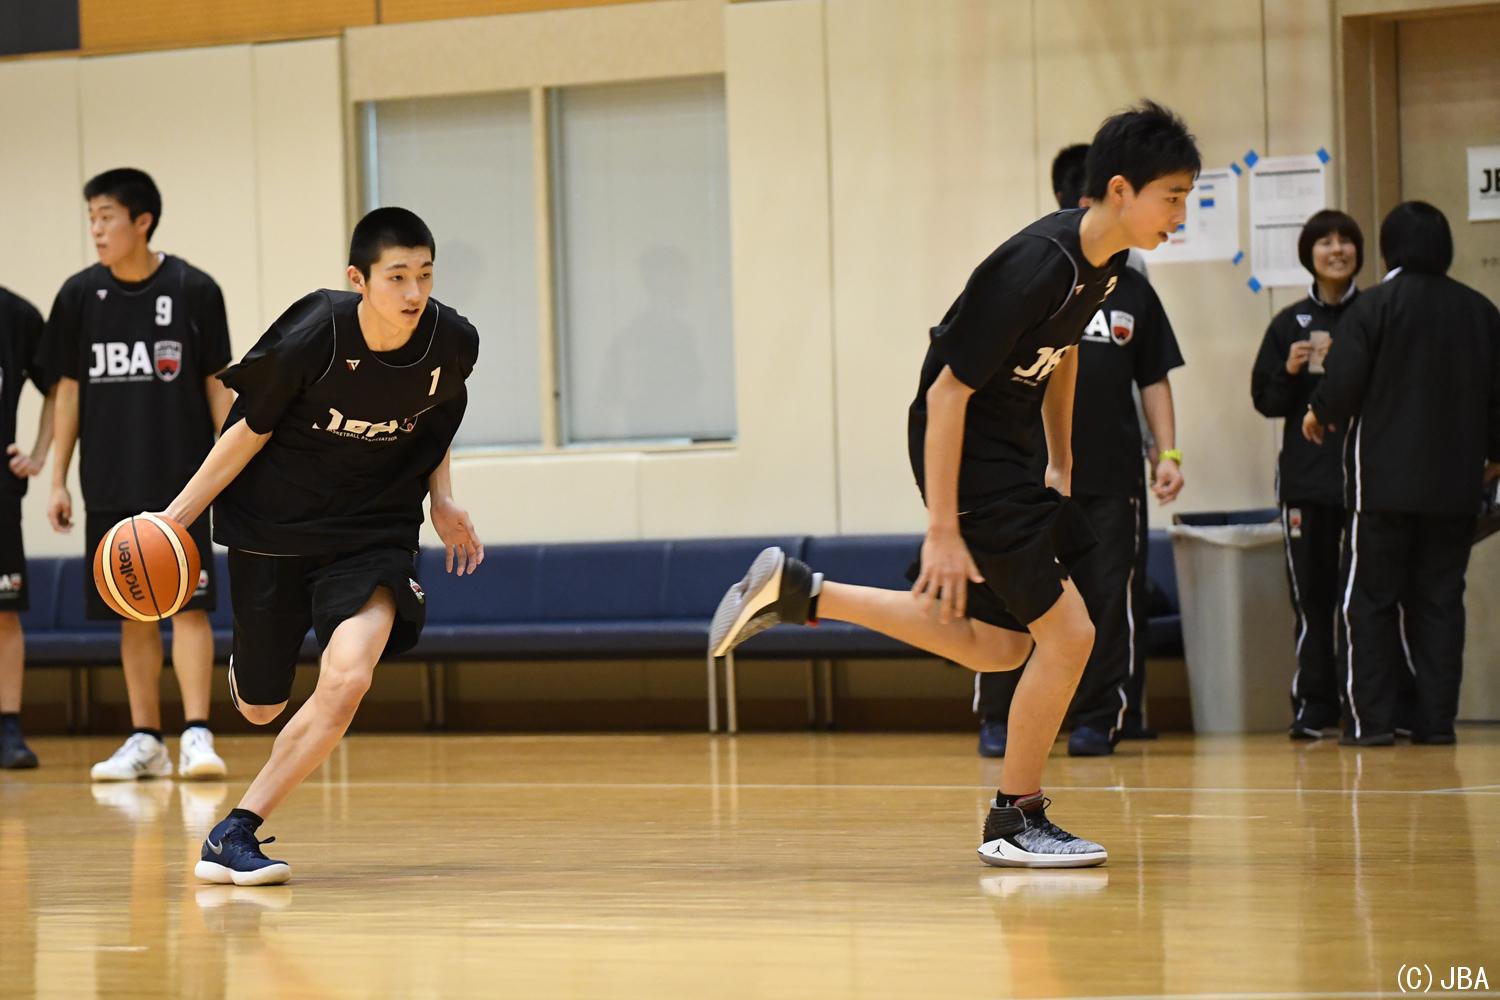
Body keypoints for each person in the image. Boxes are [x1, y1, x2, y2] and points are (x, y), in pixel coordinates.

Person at [710, 101, 1200, 867]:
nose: (1181, 214)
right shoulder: (1037, 264)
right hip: (969, 450)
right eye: (1172, 196)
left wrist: (1061, 461)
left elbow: (1065, 355)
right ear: (1119, 190)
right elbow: (944, 392)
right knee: (1070, 636)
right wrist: (943, 528)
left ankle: (801, 594)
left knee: (1001, 646)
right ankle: (1015, 818)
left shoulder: (1104, 266)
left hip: (1010, 453)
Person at [163, 207, 482, 885]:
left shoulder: (451, 341)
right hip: (272, 530)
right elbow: (246, 430)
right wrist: (174, 519)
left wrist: (442, 498)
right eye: (396, 276)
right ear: (357, 279)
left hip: (373, 533)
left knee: (348, 679)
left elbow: (436, 424)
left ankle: (233, 831)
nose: (414, 293)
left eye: (425, 275)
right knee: (261, 707)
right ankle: (251, 667)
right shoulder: (316, 333)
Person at [975, 143, 1186, 759]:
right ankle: (998, 716)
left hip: (1112, 475)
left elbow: (1154, 376)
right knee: (1013, 593)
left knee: (1108, 596)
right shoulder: (1041, 275)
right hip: (1025, 472)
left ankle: (1100, 717)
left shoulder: (1130, 288)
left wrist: (1168, 455)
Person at [37, 168, 233, 782]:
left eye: (107, 217)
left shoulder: (195, 289)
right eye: (91, 218)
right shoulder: (78, 297)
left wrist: (233, 469)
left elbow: (217, 386)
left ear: (142, 221)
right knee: (134, 609)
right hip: (110, 480)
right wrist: (58, 478)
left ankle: (197, 734)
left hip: (183, 484)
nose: (96, 230)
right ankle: (146, 738)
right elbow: (68, 392)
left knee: (191, 608)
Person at [1304, 201, 1500, 746]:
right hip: (1456, 491)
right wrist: (1494, 455)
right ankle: (1435, 724)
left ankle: (1369, 724)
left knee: (1368, 603)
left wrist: (1318, 411)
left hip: (1381, 489)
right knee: (1440, 605)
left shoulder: (1375, 306)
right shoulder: (1481, 311)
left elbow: (1343, 381)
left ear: (1389, 249)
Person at [1251, 210, 1364, 739]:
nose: (1337, 249)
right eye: (1325, 242)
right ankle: (1316, 705)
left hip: (1365, 480)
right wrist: (1290, 370)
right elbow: (1265, 401)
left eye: (1346, 240)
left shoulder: (1375, 312)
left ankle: (1368, 703)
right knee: (1311, 598)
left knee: (1362, 599)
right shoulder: (1288, 322)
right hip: (1304, 482)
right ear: (1309, 255)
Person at [0, 285, 54, 769]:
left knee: (4, 611)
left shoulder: (16, 316)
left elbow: (59, 386)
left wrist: (38, 454)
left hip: (0, 494)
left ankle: (8, 727)